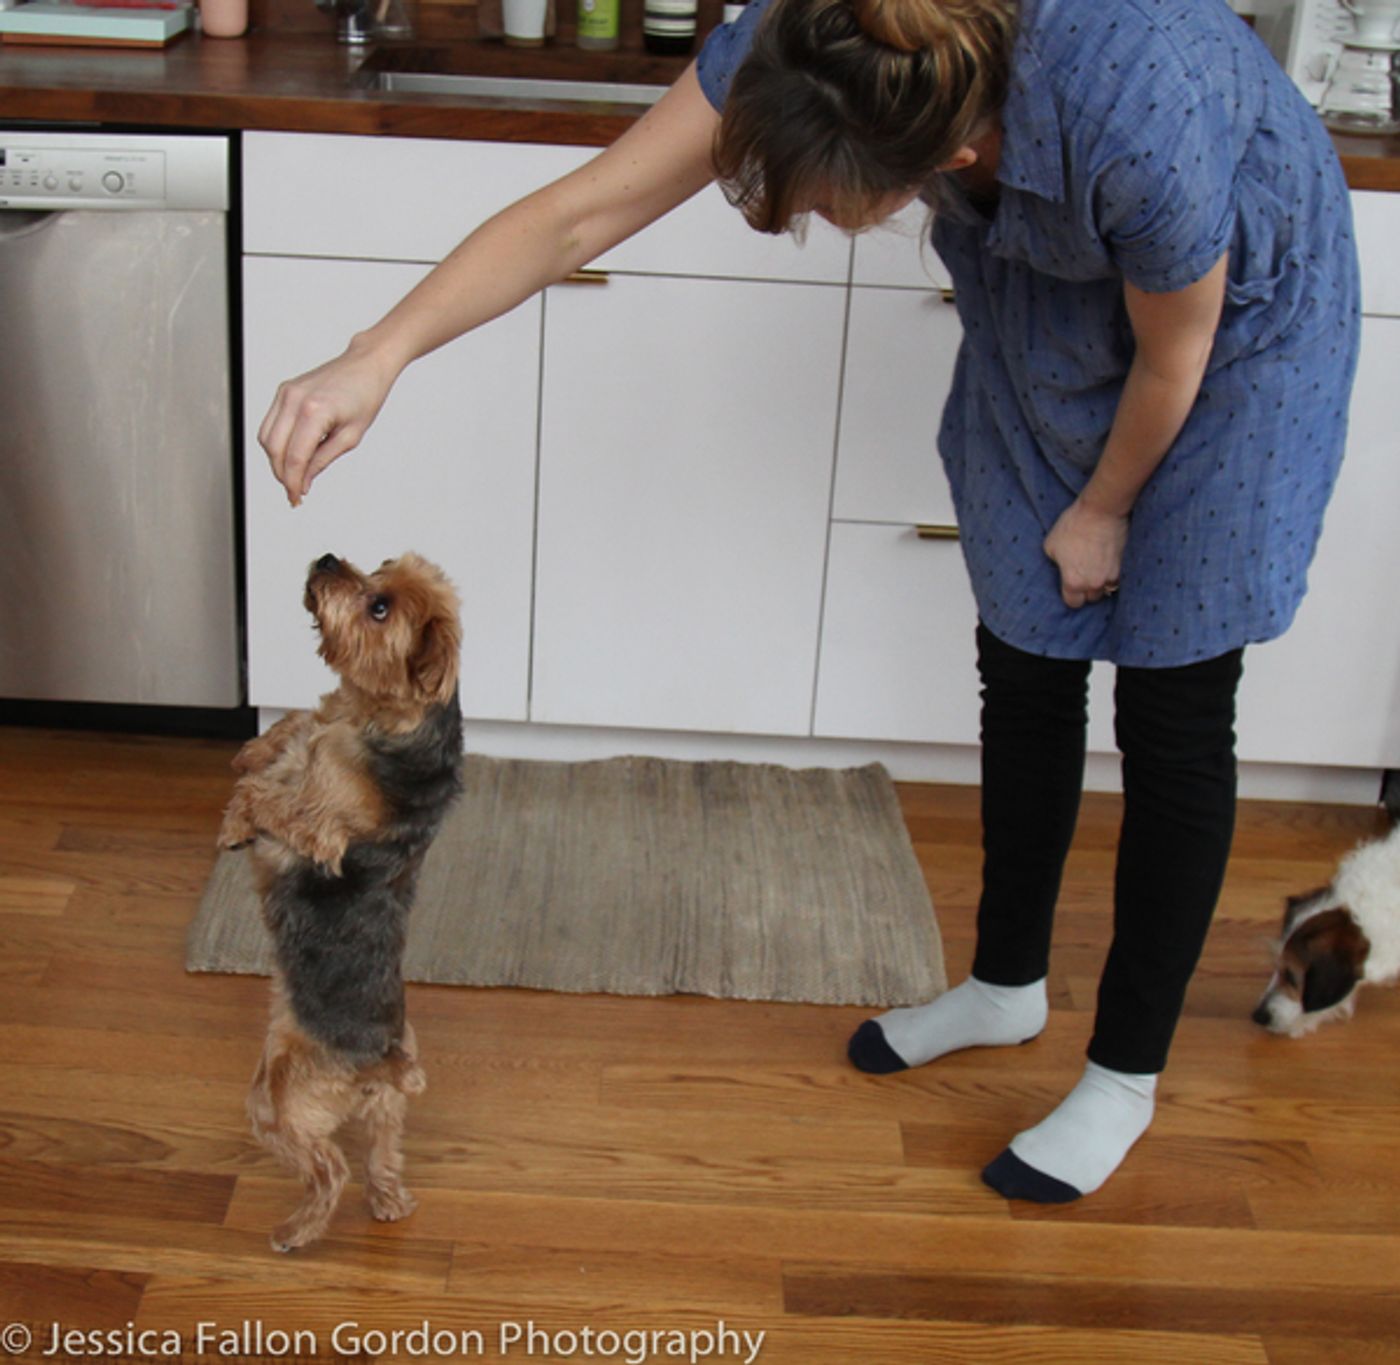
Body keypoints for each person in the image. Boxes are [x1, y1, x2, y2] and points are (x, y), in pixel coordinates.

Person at [260, 0, 1361, 1202]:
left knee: (1172, 702)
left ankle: (1121, 1075)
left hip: (1230, 332)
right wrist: (378, 353)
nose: (828, 224)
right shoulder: (819, 34)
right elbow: (584, 210)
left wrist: (1102, 506)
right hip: (1051, 297)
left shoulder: (1135, 103)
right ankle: (1004, 985)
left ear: (949, 154)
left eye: (840, 209)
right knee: (1024, 650)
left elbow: (1173, 351)